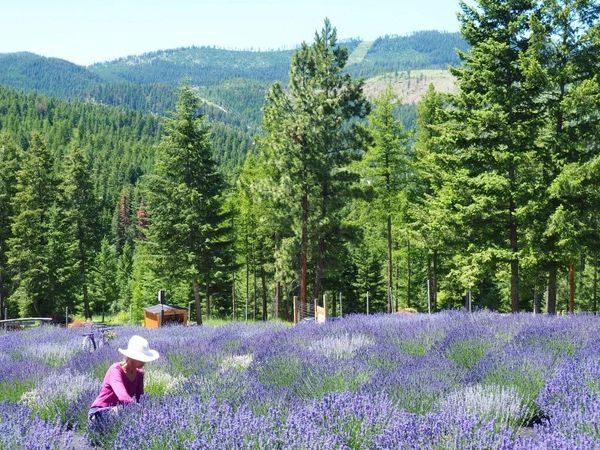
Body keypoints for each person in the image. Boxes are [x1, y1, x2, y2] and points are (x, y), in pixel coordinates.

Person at [88, 335, 159, 430]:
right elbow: (123, 396)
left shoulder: (139, 374)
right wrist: (140, 411)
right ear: (133, 358)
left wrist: (148, 413)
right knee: (126, 411)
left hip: (120, 411)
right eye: (142, 359)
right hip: (99, 414)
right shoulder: (115, 370)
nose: (145, 362)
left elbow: (140, 398)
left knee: (133, 413)